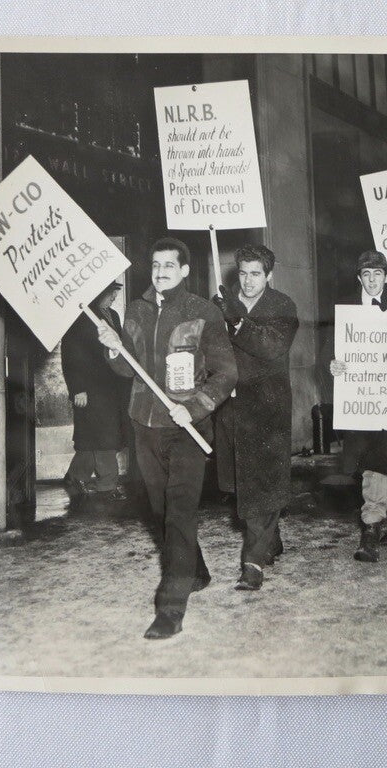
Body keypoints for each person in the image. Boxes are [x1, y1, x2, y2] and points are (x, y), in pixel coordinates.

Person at [96, 237, 237, 640]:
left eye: (169, 266)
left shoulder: (203, 312)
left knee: (179, 511)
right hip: (144, 423)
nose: (160, 272)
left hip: (187, 430)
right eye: (155, 265)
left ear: (185, 271)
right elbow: (129, 372)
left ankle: (170, 609)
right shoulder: (136, 311)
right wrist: (113, 349)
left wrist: (193, 408)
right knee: (159, 511)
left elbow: (226, 374)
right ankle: (197, 570)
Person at [212, 244, 299, 591]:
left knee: (262, 483)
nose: (248, 282)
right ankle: (271, 536)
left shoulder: (282, 306)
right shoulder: (220, 302)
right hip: (232, 406)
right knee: (241, 484)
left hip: (268, 407)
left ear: (268, 275)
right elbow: (209, 347)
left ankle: (253, 563)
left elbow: (270, 346)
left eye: (256, 274)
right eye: (243, 274)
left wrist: (236, 319)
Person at [329, 250, 387, 563]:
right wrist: (332, 364)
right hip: (360, 396)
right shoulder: (345, 311)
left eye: (378, 273)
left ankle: (371, 527)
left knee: (377, 457)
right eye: (366, 274)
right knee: (376, 457)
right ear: (359, 278)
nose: (372, 280)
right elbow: (330, 348)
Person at [60, 281, 128, 502]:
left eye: (115, 294)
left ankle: (75, 475)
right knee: (104, 435)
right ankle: (108, 484)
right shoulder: (80, 318)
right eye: (110, 294)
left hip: (111, 386)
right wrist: (77, 388)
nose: (113, 298)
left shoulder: (114, 316)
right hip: (89, 387)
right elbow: (70, 355)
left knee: (94, 435)